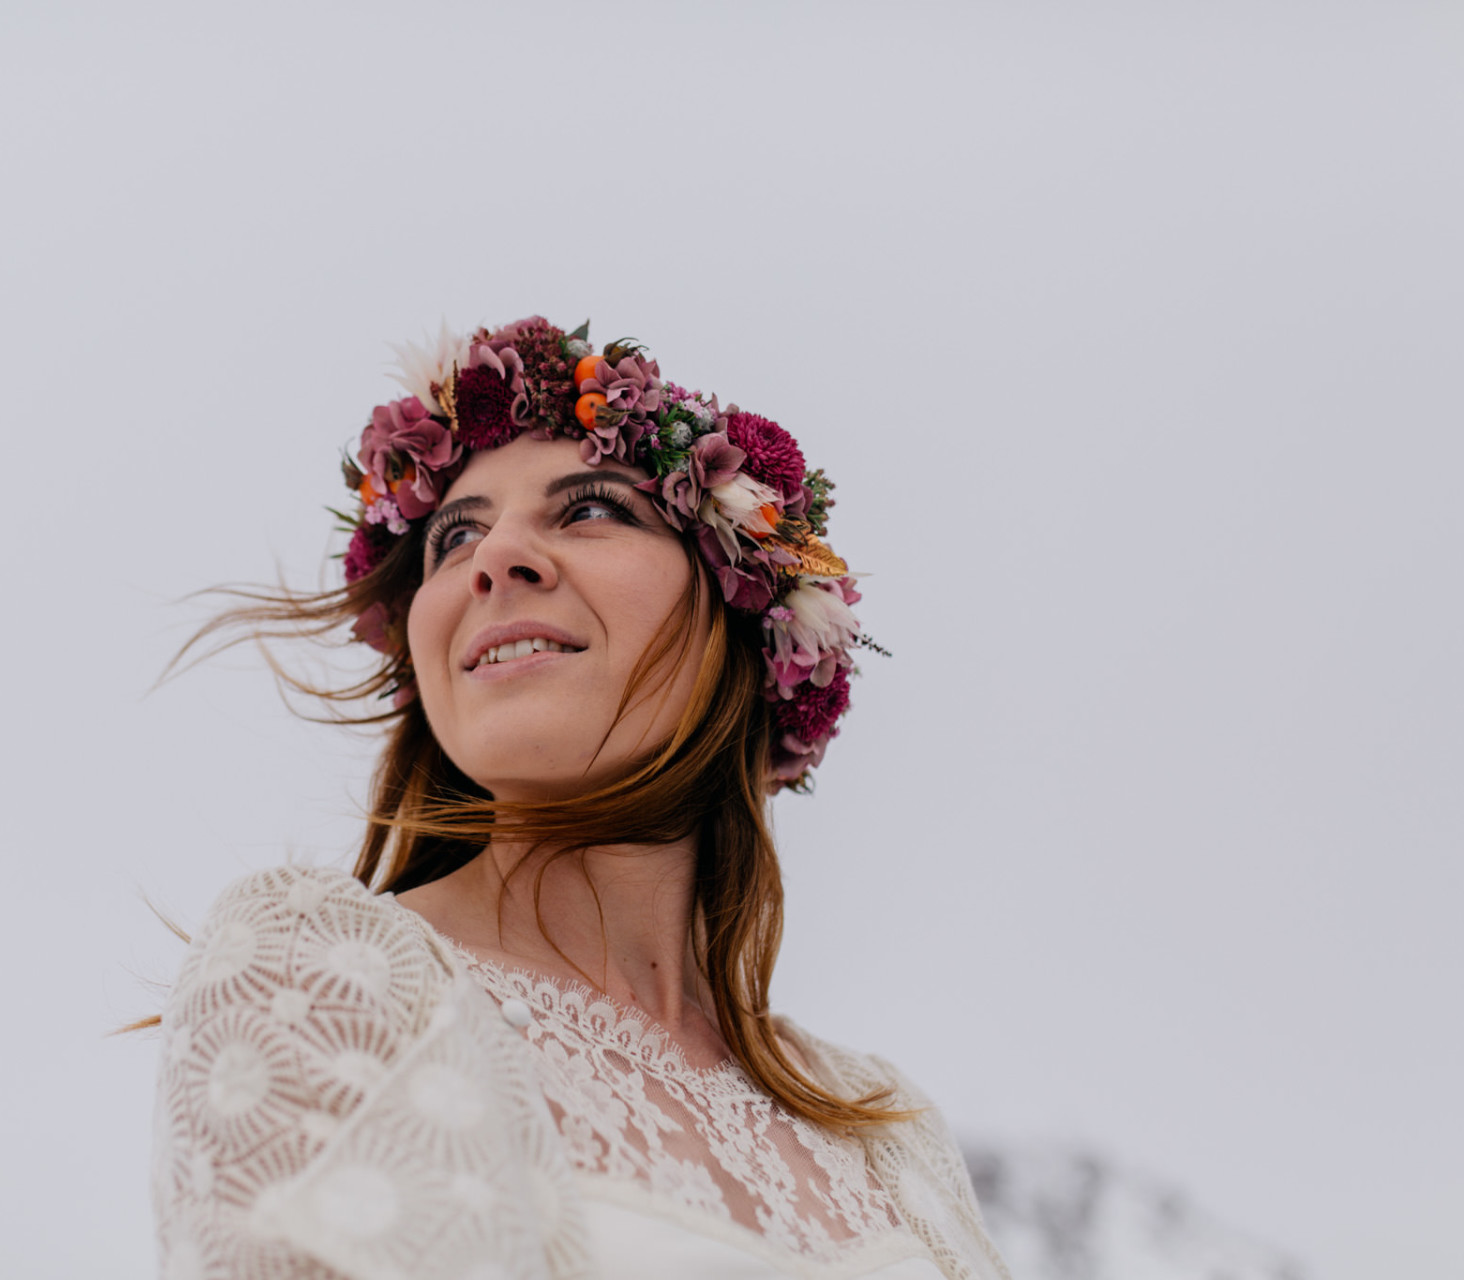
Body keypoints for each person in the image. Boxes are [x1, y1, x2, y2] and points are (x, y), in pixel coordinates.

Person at [148, 317, 1012, 1279]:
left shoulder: (886, 1125)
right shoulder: (325, 973)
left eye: (591, 510)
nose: (493, 559)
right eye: (455, 535)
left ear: (748, 627)